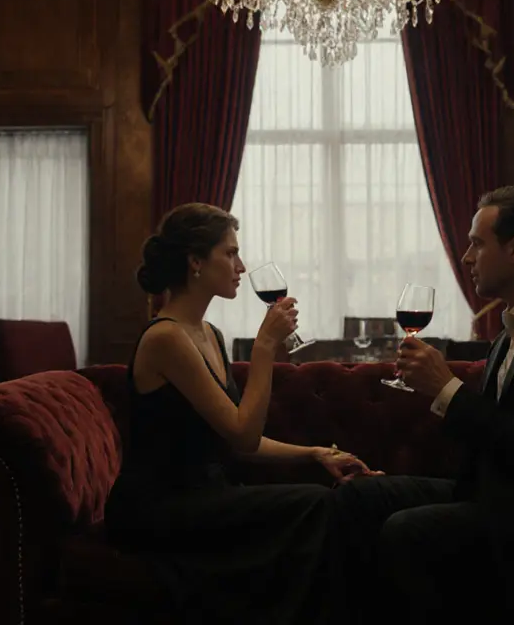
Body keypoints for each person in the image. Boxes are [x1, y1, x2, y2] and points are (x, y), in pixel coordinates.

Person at [331, 186, 514, 624]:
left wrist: (447, 390)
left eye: (476, 243)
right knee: (357, 497)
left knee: (406, 531)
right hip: (495, 492)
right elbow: (493, 435)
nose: (466, 257)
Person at [104, 202, 380, 624]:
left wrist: (315, 453)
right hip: (160, 507)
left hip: (207, 493)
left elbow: (235, 438)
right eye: (230, 253)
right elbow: (242, 436)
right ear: (196, 261)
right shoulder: (166, 338)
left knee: (323, 502)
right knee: (315, 506)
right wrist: (266, 347)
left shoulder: (208, 334)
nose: (241, 265)